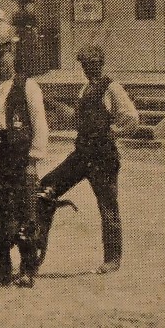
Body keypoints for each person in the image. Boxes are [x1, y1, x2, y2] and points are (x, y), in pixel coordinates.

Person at [39, 44, 140, 273]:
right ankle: (36, 247)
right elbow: (77, 119)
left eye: (92, 64)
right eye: (85, 65)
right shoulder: (85, 89)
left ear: (101, 64)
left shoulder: (111, 88)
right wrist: (53, 104)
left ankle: (112, 260)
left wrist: (113, 132)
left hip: (103, 157)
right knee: (46, 185)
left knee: (108, 207)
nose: (88, 69)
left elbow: (132, 118)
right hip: (81, 154)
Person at [0, 37, 50, 287]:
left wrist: (33, 160)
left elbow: (40, 125)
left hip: (19, 159)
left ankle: (28, 269)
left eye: (3, 55)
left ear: (12, 56)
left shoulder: (28, 86)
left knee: (25, 213)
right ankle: (2, 268)